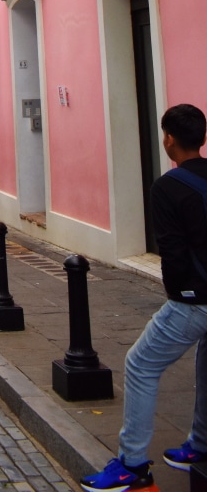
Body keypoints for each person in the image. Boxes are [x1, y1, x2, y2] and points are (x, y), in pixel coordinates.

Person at [82, 104, 207, 491]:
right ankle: (200, 445)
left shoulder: (166, 187)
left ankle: (133, 466)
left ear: (169, 138)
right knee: (205, 364)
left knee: (140, 364)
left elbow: (171, 249)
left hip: (194, 299)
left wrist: (179, 295)